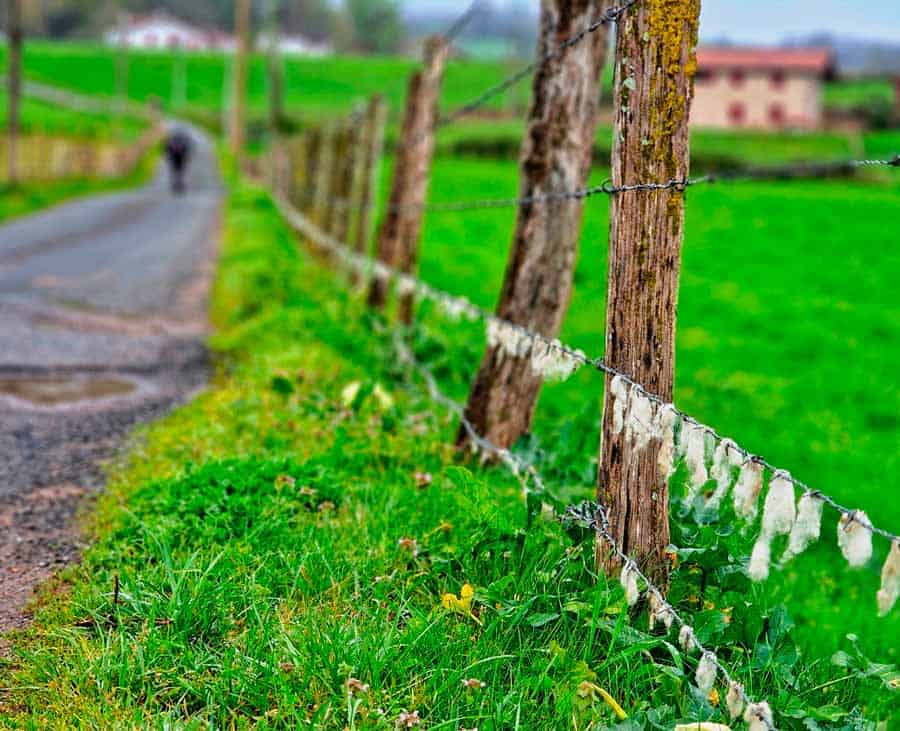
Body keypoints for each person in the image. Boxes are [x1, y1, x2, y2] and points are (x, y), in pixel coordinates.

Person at [164, 128, 193, 194]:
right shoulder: (185, 141)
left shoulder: (171, 141)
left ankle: (176, 184)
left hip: (174, 159)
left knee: (175, 171)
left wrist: (167, 158)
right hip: (181, 159)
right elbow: (188, 150)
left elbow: (166, 150)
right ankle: (180, 184)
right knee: (180, 172)